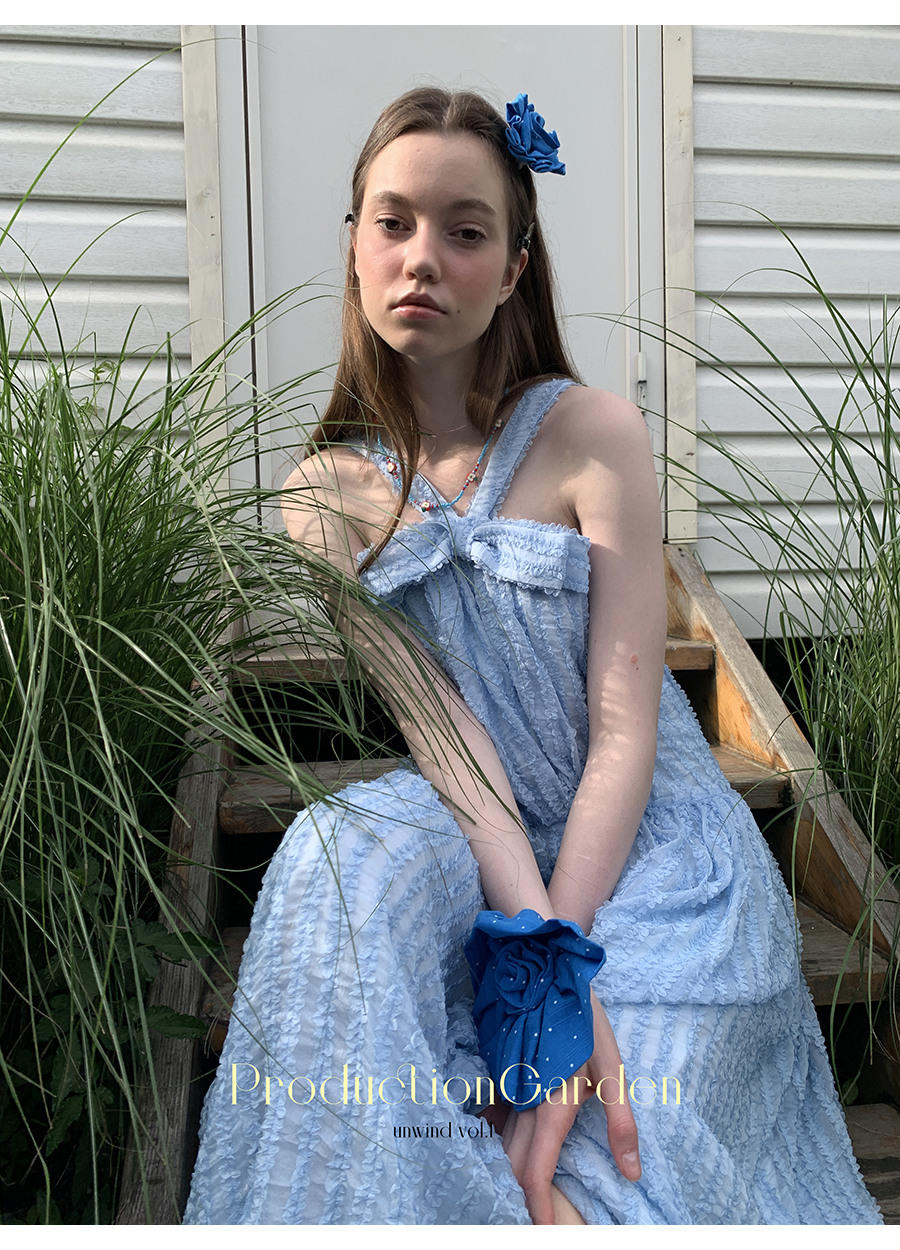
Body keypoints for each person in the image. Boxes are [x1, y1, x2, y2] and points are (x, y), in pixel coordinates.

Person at [184, 88, 882, 1226]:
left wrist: (563, 960)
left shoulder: (592, 432)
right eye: (394, 222)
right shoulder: (321, 494)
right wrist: (537, 953)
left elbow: (625, 730)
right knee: (330, 850)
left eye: (465, 231)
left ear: (513, 268)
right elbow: (447, 738)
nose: (423, 257)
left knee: (619, 1137)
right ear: (355, 243)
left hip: (646, 841)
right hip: (478, 825)